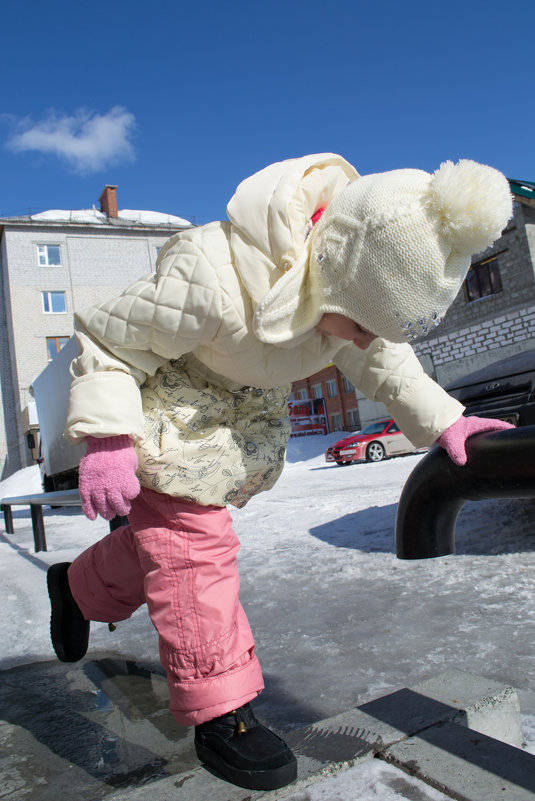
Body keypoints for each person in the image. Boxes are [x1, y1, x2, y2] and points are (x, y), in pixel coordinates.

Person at [46, 153, 513, 791]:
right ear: (331, 280)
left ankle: (78, 588)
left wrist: (446, 422)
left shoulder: (347, 303)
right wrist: (106, 435)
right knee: (190, 549)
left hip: (233, 415)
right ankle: (222, 710)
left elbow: (385, 363)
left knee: (164, 543)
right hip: (162, 402)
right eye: (362, 325)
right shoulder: (210, 278)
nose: (363, 341)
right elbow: (109, 340)